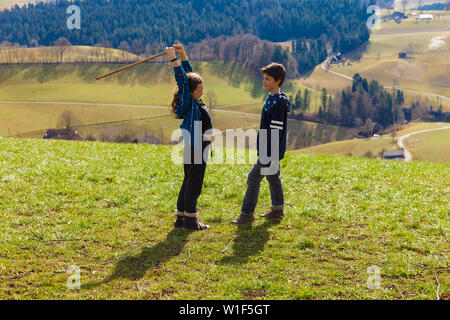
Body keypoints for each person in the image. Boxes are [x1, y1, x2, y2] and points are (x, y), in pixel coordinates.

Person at [230, 63, 291, 225]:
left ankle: (247, 214)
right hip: (268, 148)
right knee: (272, 176)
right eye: (264, 78)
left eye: (268, 79)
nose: (264, 82)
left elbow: (276, 130)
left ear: (278, 81)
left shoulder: (278, 103)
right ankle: (277, 210)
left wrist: (267, 152)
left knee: (253, 178)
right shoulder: (271, 98)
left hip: (270, 149)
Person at [167, 44, 213, 231]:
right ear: (191, 92)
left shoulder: (194, 99)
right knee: (194, 184)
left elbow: (189, 76)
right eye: (199, 90)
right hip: (196, 146)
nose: (202, 92)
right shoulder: (188, 102)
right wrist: (173, 59)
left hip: (196, 145)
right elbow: (183, 81)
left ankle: (181, 219)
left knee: (188, 181)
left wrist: (183, 54)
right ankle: (191, 222)